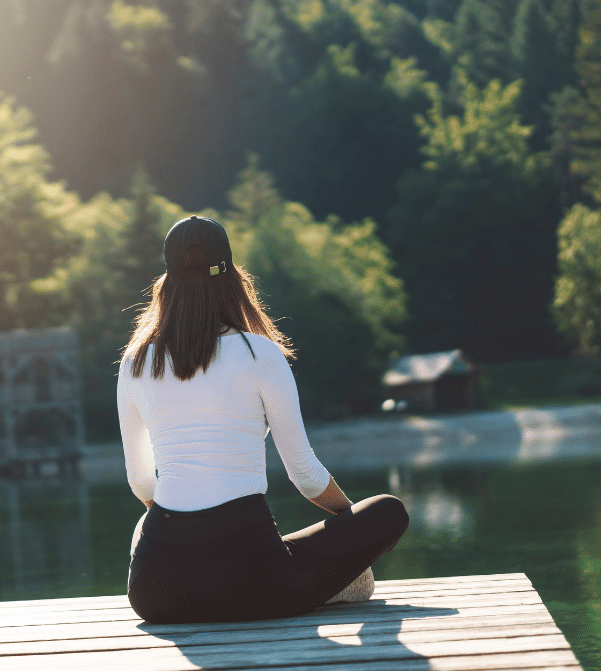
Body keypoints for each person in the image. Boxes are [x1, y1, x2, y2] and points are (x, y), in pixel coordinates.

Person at [118, 215, 409, 623]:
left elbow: (141, 483)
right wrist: (349, 524)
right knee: (389, 511)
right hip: (256, 583)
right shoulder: (259, 354)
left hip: (157, 593)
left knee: (143, 526)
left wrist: (189, 534)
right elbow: (305, 475)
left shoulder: (135, 362)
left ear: (166, 282)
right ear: (232, 278)